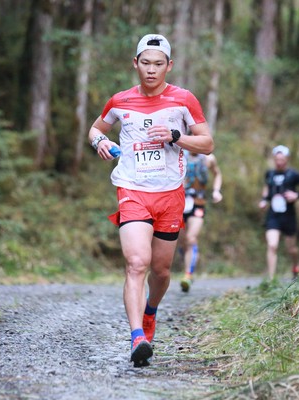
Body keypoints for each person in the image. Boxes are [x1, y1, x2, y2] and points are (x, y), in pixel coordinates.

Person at [88, 34, 214, 367]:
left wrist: (176, 136)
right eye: (145, 63)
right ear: (135, 63)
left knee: (160, 272)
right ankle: (136, 338)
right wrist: (99, 141)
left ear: (169, 66)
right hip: (131, 189)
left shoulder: (184, 100)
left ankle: (150, 313)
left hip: (170, 194)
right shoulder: (119, 101)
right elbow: (95, 129)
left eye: (158, 64)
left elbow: (207, 144)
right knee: (136, 264)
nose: (151, 70)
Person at [258, 145, 299, 280]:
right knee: (272, 245)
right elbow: (266, 188)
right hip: (273, 215)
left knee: (291, 249)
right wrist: (264, 200)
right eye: (277, 159)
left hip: (289, 216)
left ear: (287, 159)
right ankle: (271, 279)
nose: (279, 162)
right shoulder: (269, 174)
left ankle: (295, 267)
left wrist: (297, 195)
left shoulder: (293, 174)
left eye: (282, 159)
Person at [179, 150, 223, 293]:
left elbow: (217, 174)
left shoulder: (208, 158)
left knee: (191, 238)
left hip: (198, 202)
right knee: (182, 241)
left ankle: (188, 274)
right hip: (179, 202)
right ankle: (189, 264)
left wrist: (216, 191)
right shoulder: (178, 154)